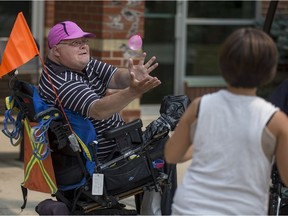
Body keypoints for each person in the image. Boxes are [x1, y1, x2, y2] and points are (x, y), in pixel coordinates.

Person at [38, 21, 161, 214]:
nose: (82, 45)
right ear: (55, 51)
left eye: (83, 40)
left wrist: (132, 77)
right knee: (163, 153)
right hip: (103, 159)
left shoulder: (84, 64)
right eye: (73, 43)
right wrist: (133, 91)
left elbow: (115, 77)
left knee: (159, 142)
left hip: (113, 146)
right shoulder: (62, 82)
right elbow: (99, 110)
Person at [164, 27, 288, 215]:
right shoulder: (276, 121)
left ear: (223, 65)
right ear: (270, 71)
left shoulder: (199, 106)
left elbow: (172, 155)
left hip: (190, 208)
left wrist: (210, 145)